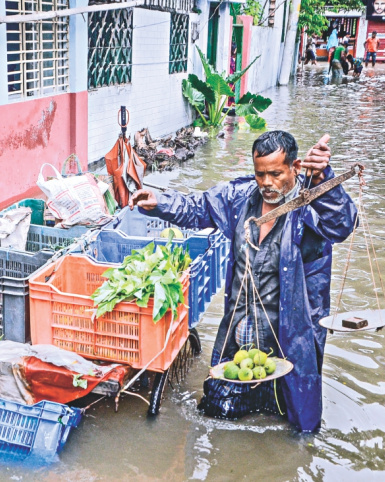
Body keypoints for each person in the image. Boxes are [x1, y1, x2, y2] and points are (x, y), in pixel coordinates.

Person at [128, 131, 357, 432]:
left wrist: (323, 179)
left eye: (276, 173)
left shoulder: (311, 203)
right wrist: (158, 201)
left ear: (295, 168)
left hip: (291, 331)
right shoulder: (239, 198)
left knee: (293, 417)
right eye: (260, 174)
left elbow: (342, 225)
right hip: (241, 326)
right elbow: (197, 207)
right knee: (218, 407)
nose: (266, 183)